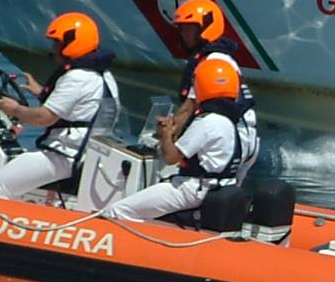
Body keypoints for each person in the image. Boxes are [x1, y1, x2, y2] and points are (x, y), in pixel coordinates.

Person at [106, 53, 260, 225]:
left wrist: (166, 133)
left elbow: (171, 158)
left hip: (193, 189)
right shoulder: (232, 123)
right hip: (220, 186)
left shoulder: (206, 122)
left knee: (117, 210)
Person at [0, 12, 120, 201]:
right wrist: (41, 93)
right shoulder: (103, 75)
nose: (53, 48)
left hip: (64, 156)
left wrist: (14, 109)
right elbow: (79, 106)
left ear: (71, 43)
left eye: (57, 43)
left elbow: (43, 118)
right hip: (87, 152)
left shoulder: (77, 77)